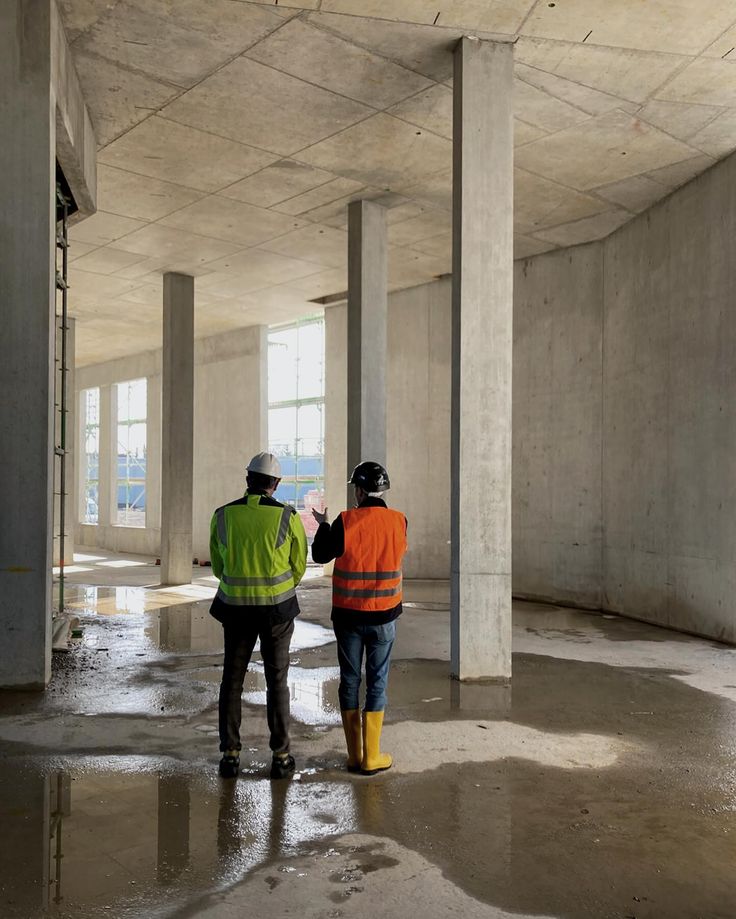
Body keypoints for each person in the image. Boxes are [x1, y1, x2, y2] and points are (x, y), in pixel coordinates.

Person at [209, 452, 307, 780]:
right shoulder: (287, 517)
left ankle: (230, 756)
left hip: (235, 609)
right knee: (277, 681)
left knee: (232, 682)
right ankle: (280, 756)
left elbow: (219, 568)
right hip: (276, 611)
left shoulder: (223, 516)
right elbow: (298, 567)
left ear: (247, 478)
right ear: (275, 484)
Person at [312, 461, 407, 775]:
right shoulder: (399, 521)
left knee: (350, 682)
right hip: (384, 619)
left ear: (359, 490)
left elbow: (321, 555)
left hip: (350, 617)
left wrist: (324, 525)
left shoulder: (345, 521)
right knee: (377, 683)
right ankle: (372, 756)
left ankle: (354, 755)